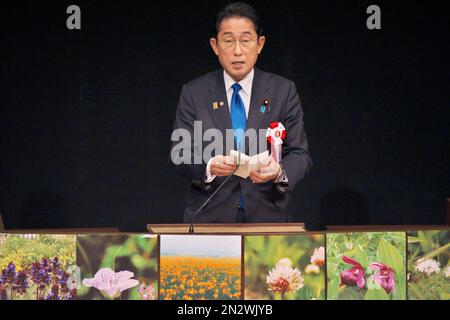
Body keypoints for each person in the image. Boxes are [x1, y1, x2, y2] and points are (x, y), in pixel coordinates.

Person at [171, 2, 312, 223]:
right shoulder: (194, 93)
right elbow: (180, 155)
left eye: (246, 40)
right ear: (215, 46)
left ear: (260, 44)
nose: (237, 50)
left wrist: (278, 171)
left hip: (267, 217)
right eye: (228, 41)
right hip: (209, 217)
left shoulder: (283, 91)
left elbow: (300, 154)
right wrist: (209, 167)